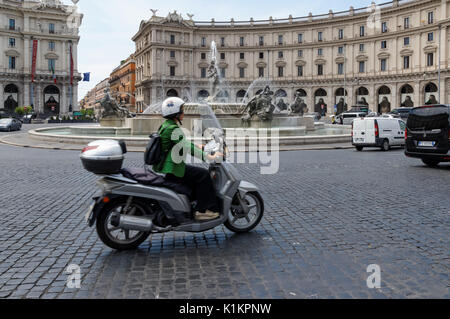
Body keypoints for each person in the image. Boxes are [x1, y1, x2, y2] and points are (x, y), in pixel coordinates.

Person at [153, 97, 222, 221]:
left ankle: (194, 203)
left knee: (196, 176)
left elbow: (181, 142)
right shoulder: (172, 128)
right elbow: (185, 146)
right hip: (173, 168)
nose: (184, 113)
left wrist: (199, 146)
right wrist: (208, 156)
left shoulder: (166, 126)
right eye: (182, 111)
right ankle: (204, 210)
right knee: (203, 175)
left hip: (169, 166)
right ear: (176, 113)